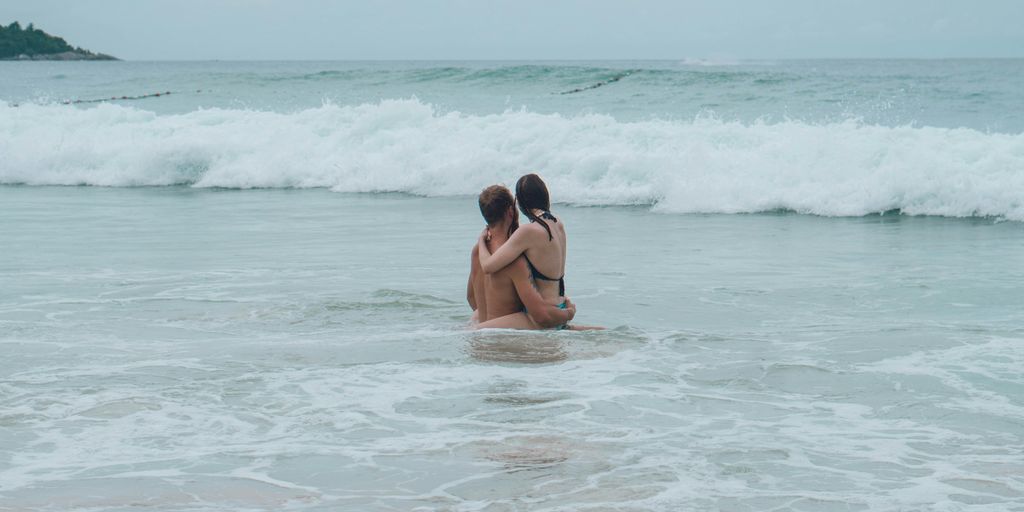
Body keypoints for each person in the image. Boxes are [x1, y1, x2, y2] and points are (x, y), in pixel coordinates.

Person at [468, 185, 576, 329]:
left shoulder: (477, 252)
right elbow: (541, 316)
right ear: (511, 212)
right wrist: (569, 313)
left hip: (484, 334)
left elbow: (471, 298)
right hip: (505, 342)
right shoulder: (515, 260)